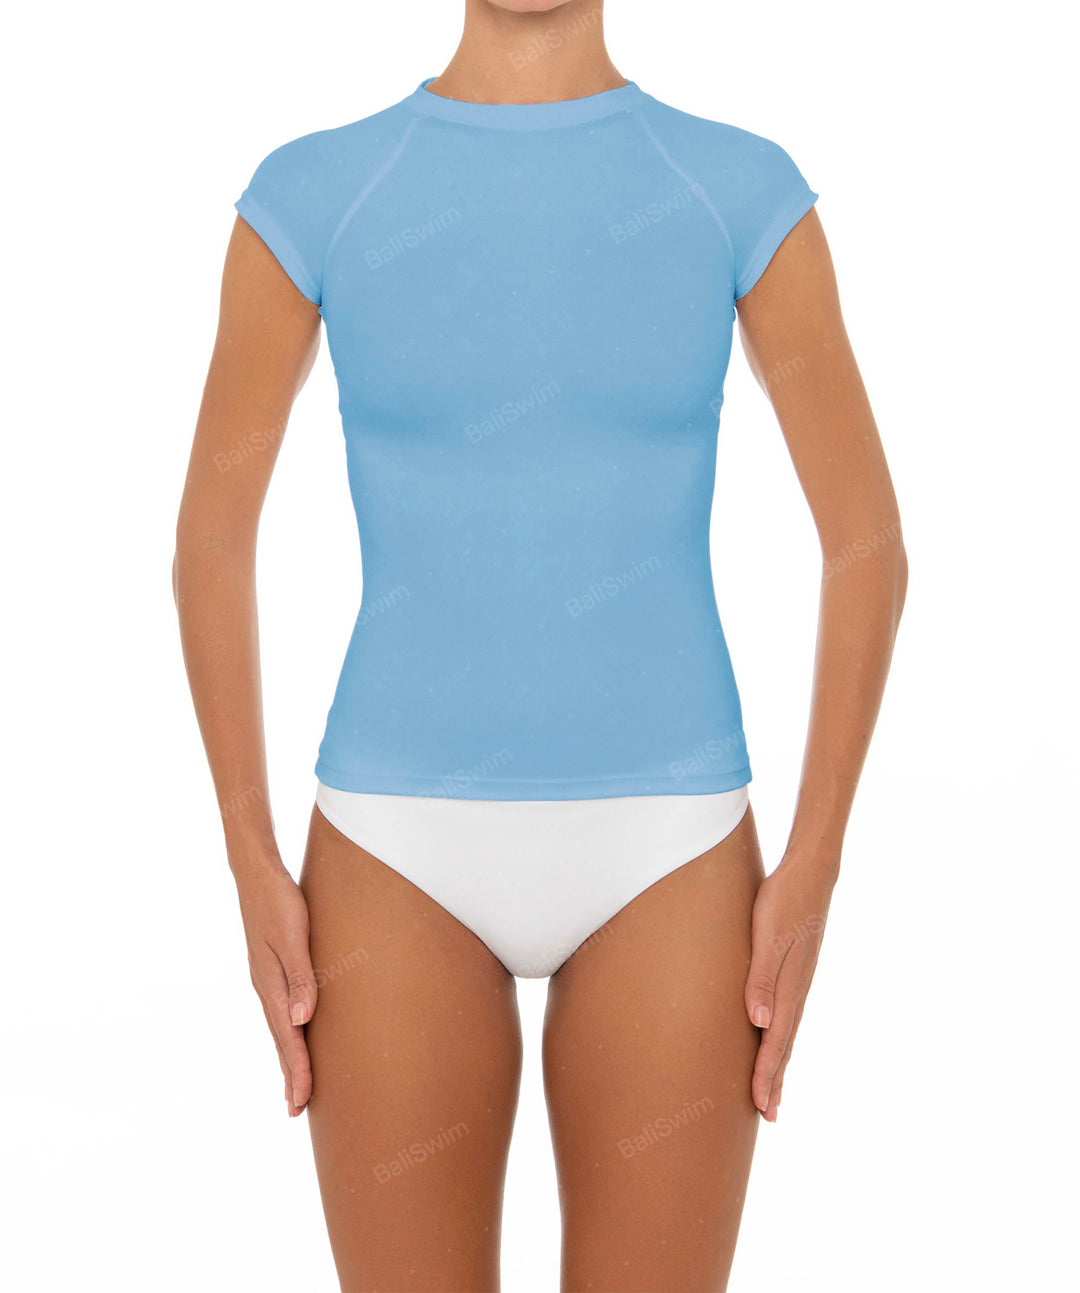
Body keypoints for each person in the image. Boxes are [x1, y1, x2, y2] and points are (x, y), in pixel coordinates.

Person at [174, 1, 907, 1287]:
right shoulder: (316, 194)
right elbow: (211, 541)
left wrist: (818, 861)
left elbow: (866, 543)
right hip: (391, 849)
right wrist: (245, 851)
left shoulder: (737, 189)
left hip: (671, 852)